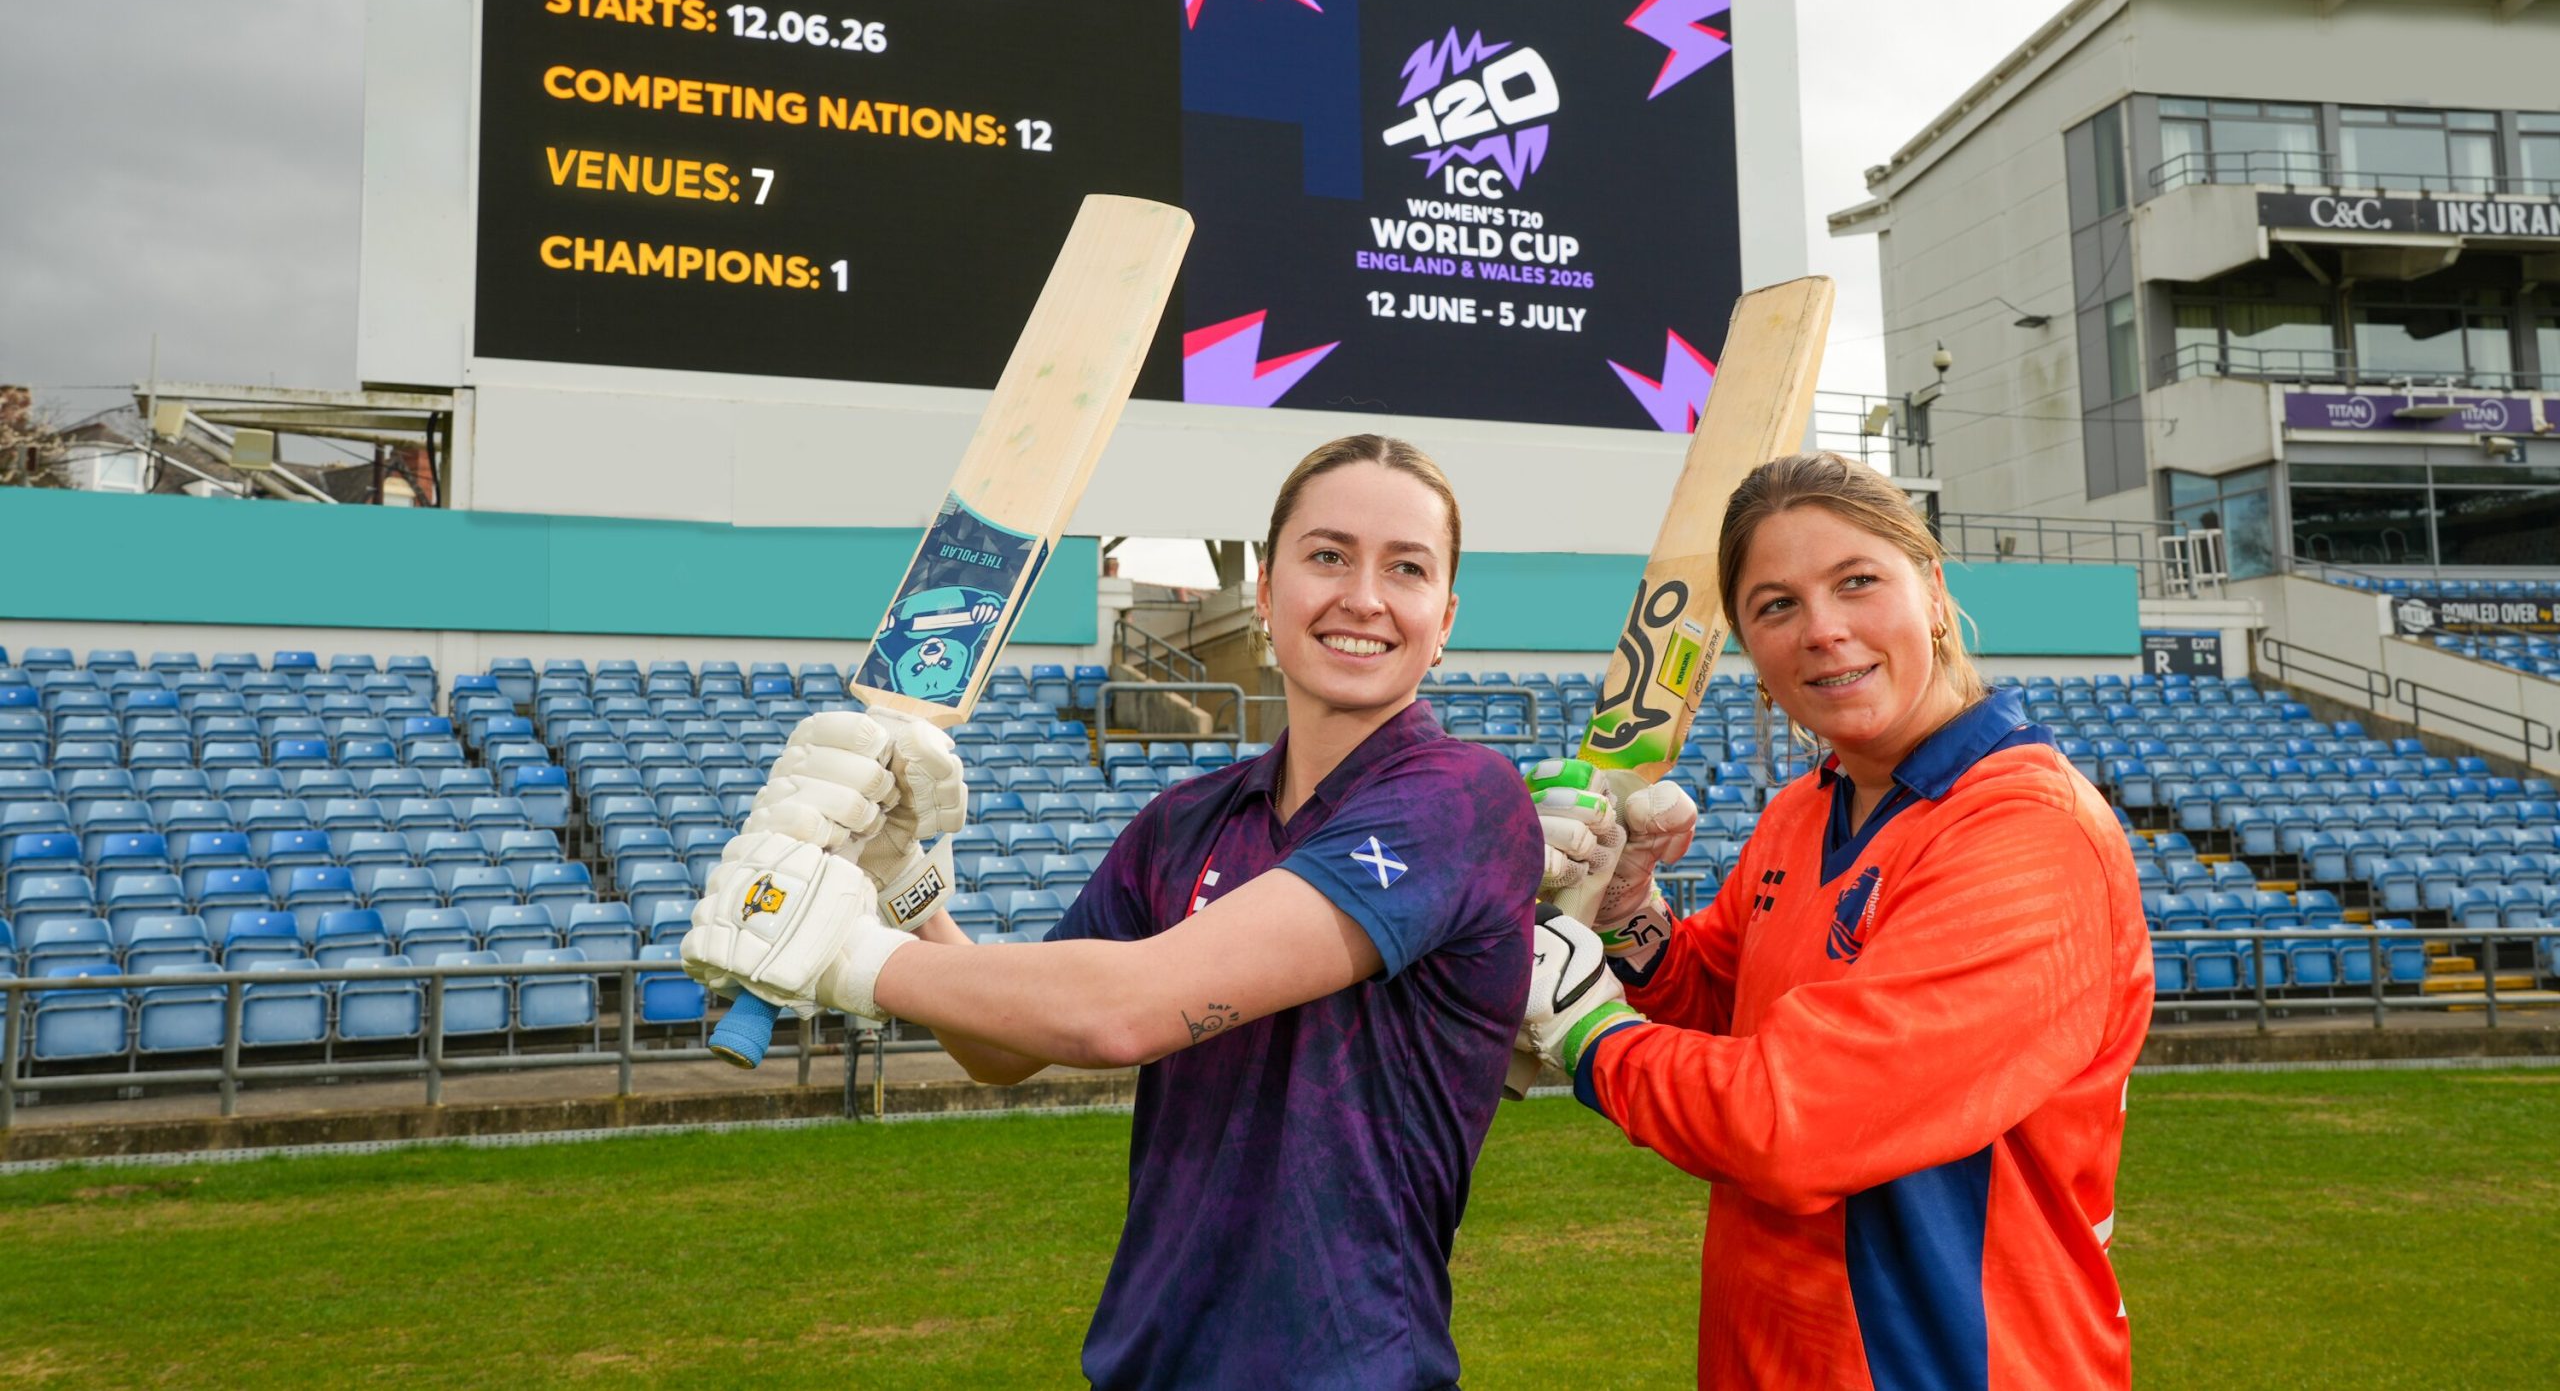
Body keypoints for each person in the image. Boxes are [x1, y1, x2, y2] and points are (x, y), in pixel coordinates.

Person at [684, 434, 1541, 1390]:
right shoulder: (1183, 820)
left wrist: (844, 953)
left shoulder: (1465, 799)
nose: (1364, 597)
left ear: (1446, 617)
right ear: (1265, 589)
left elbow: (1123, 1013)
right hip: (1147, 1360)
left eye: (1407, 568)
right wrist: (906, 892)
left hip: (1353, 1367)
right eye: (1328, 554)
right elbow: (1001, 1051)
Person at [1516, 452, 2152, 1389]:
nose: (1823, 631)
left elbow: (1792, 1118)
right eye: (1776, 606)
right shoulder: (1805, 810)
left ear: (1933, 591)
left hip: (1958, 1362)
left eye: (1857, 582)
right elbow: (1722, 1007)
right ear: (1751, 648)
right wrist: (1627, 915)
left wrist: (1589, 1036)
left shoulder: (2030, 832)